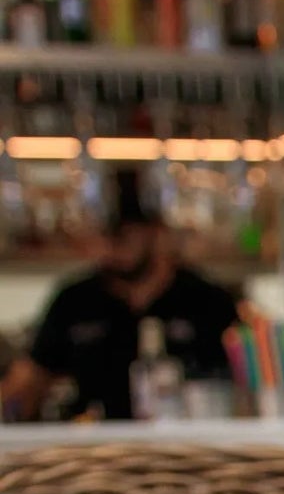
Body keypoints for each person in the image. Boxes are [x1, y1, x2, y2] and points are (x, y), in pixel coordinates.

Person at [1, 170, 239, 422]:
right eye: (103, 234)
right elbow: (29, 380)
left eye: (123, 235)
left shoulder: (207, 299)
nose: (111, 245)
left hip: (190, 442)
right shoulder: (74, 300)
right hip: (93, 447)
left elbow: (243, 384)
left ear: (155, 231)